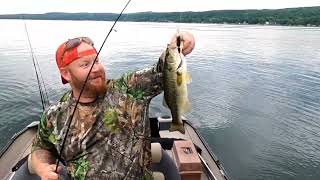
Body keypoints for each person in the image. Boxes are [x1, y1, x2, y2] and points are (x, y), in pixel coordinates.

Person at [30, 31, 195, 179]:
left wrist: (180, 44)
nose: (96, 68)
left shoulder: (129, 90)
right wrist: (43, 168)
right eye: (85, 65)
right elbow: (40, 146)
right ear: (66, 73)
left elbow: (163, 70)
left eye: (96, 61)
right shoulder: (54, 115)